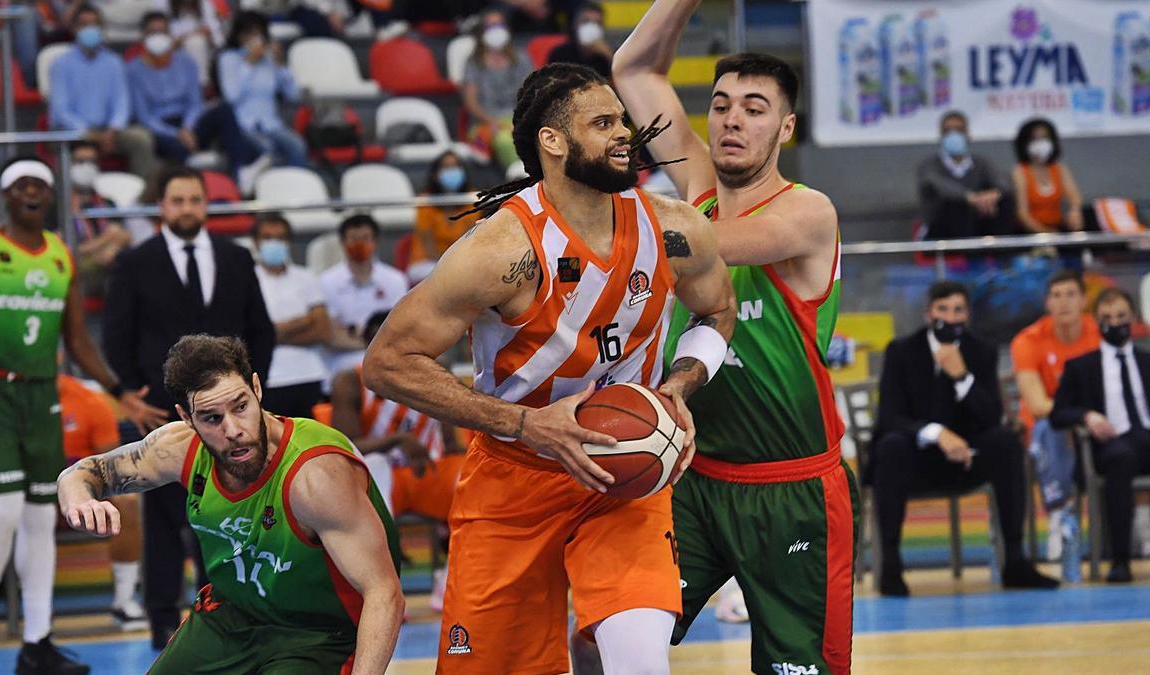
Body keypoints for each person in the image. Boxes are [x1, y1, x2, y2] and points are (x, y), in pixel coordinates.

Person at [364, 62, 738, 675]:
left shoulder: (677, 230)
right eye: (603, 122)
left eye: (622, 118)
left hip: (624, 475)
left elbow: (719, 312)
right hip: (515, 475)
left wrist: (679, 384)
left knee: (641, 660)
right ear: (553, 142)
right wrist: (522, 424)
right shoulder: (500, 251)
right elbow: (387, 364)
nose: (625, 133)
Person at [612, 2, 855, 670]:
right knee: (609, 636)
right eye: (720, 105)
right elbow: (632, 68)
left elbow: (705, 241)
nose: (732, 119)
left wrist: (586, 209)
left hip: (793, 489)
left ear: (786, 126)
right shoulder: (697, 187)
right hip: (692, 477)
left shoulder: (807, 212)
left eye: (753, 106)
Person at [57, 334, 403, 672]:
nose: (234, 429)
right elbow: (83, 473)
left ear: (256, 388)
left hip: (316, 633)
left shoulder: (316, 477)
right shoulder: (179, 448)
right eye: (212, 418)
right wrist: (78, 501)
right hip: (231, 617)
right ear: (186, 417)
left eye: (241, 406)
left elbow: (383, 593)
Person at [0, 157, 163, 674]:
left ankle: (38, 643)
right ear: (5, 195)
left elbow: (75, 340)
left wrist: (119, 391)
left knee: (43, 515)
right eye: (21, 184)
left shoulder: (62, 258)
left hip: (41, 391)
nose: (31, 192)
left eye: (40, 185)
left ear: (50, 196)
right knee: (2, 510)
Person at [103, 165, 276, 648]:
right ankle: (161, 618)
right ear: (162, 206)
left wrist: (247, 403)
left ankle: (227, 611)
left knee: (226, 515)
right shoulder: (135, 262)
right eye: (177, 201)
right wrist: (127, 393)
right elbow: (116, 334)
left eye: (194, 200)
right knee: (160, 522)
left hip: (228, 419)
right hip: (158, 412)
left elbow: (260, 329)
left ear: (206, 204)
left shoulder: (236, 258)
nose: (186, 209)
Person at [872, 281, 1059, 596]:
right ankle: (891, 564)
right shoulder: (902, 350)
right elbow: (889, 417)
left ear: (968, 315)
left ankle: (1015, 560)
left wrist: (962, 377)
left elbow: (990, 417)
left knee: (1005, 442)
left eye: (958, 310)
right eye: (943, 309)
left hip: (966, 460)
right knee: (890, 447)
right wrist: (936, 433)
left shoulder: (980, 351)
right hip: (914, 460)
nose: (950, 316)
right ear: (928, 313)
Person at [329, 310, 467, 612]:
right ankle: (384, 589)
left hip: (427, 471)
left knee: (471, 481)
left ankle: (453, 578)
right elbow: (345, 445)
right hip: (381, 478)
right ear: (367, 345)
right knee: (375, 467)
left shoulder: (436, 371)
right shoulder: (349, 381)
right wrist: (396, 440)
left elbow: (452, 442)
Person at [1051, 288, 1150, 583]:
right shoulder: (1081, 366)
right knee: (1121, 457)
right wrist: (1086, 416)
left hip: (1146, 435)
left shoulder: (1147, 361)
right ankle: (1120, 559)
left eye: (1121, 316)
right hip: (1109, 445)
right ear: (1095, 321)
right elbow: (1058, 414)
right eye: (1106, 318)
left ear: (1133, 318)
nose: (1114, 323)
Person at [127, 11, 271, 194]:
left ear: (170, 34)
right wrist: (177, 133)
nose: (158, 37)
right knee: (174, 147)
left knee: (223, 111)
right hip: (160, 129)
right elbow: (144, 117)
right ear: (143, 37)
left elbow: (195, 102)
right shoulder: (132, 70)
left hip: (189, 123)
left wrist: (188, 127)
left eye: (162, 32)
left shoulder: (186, 62)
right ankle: (182, 192)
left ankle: (240, 174)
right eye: (152, 32)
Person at [1011, 269, 1101, 559]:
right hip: (1046, 428)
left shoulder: (1099, 334)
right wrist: (1081, 415)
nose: (1063, 303)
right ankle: (1059, 516)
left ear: (1084, 301)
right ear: (1047, 303)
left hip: (1094, 424)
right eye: (1056, 296)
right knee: (1051, 428)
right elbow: (1038, 405)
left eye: (1071, 295)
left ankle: (1139, 520)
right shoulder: (1028, 341)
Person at [57, 373, 147, 630]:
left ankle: (124, 601)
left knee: (128, 501)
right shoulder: (10, 397)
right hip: (36, 492)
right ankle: (34, 619)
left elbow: (111, 467)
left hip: (85, 492)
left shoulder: (90, 401)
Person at [49, 5, 159, 180]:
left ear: (102, 29)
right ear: (74, 29)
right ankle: (67, 203)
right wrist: (87, 132)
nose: (90, 29)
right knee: (66, 145)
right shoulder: (61, 64)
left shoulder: (114, 62)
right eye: (84, 24)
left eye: (95, 24)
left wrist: (113, 129)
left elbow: (121, 102)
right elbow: (61, 110)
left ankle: (144, 200)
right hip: (73, 132)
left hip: (109, 131)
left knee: (141, 139)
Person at [252, 212, 331, 418]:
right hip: (269, 377)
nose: (274, 243)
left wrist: (271, 334)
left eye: (280, 238)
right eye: (268, 238)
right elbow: (250, 334)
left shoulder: (306, 277)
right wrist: (303, 322)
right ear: (255, 242)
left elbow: (322, 330)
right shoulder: (248, 279)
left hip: (310, 374)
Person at [319, 214, 408, 378]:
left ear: (375, 242)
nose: (359, 244)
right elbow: (330, 335)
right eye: (353, 239)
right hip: (342, 361)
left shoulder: (395, 280)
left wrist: (354, 334)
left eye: (365, 238)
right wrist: (372, 339)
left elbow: (400, 329)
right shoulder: (327, 282)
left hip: (387, 357)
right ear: (342, 242)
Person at [217, 11, 308, 168]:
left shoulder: (269, 59)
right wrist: (249, 63)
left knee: (298, 146)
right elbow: (231, 97)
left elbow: (293, 95)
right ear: (238, 35)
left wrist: (280, 64)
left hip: (271, 125)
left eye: (258, 33)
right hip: (243, 126)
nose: (254, 38)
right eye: (248, 33)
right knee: (267, 150)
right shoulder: (228, 59)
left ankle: (295, 187)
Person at [916, 110, 1015, 239]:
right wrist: (970, 198)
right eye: (947, 131)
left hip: (977, 225)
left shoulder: (981, 163)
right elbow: (941, 186)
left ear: (968, 134)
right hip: (940, 228)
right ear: (941, 136)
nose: (954, 135)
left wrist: (995, 193)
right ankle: (969, 253)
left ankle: (1003, 253)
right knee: (956, 205)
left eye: (959, 130)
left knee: (1005, 201)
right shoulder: (928, 166)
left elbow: (1004, 183)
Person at [57, 140, 132, 304]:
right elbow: (60, 249)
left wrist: (110, 247)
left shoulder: (107, 202)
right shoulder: (56, 205)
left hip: (108, 261)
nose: (87, 167)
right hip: (75, 267)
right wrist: (105, 242)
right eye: (80, 162)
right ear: (68, 164)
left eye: (92, 162)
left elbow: (125, 236)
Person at [462, 9, 532, 168]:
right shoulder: (473, 63)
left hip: (517, 118)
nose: (496, 30)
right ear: (482, 32)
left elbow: (531, 92)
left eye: (499, 25)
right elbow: (470, 102)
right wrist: (492, 122)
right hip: (485, 121)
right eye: (490, 26)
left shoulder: (521, 58)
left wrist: (519, 121)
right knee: (505, 140)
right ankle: (518, 179)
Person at [1011, 117, 1085, 234]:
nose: (1041, 143)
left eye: (1045, 138)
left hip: (1058, 229)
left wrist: (1075, 210)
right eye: (1035, 139)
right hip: (1031, 233)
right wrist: (1045, 234)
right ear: (1025, 143)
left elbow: (1075, 197)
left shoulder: (1059, 169)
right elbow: (1022, 214)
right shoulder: (1019, 172)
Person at [411, 151, 481, 268]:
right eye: (446, 167)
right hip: (428, 261)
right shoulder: (425, 201)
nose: (451, 171)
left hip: (462, 260)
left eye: (455, 166)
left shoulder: (471, 198)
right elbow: (428, 242)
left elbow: (468, 240)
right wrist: (445, 268)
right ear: (435, 175)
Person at [547, 2, 612, 79]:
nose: (591, 27)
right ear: (575, 24)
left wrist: (609, 57)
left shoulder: (606, 56)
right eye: (586, 21)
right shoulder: (559, 54)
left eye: (597, 23)